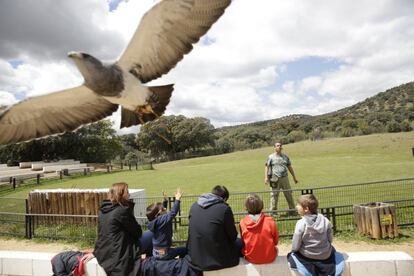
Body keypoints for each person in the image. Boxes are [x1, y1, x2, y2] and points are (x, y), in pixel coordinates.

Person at [93, 182, 153, 276]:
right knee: (151, 234)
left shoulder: (102, 211)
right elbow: (138, 232)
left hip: (104, 253)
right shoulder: (121, 211)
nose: (129, 194)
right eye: (127, 192)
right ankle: (149, 267)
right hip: (120, 255)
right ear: (121, 194)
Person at [187, 185, 242, 271]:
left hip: (195, 257)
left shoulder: (194, 206)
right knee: (239, 242)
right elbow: (233, 236)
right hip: (217, 260)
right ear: (224, 199)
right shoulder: (224, 209)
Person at [287, 194, 344, 276]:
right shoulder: (326, 221)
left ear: (306, 209)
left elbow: (295, 246)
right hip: (325, 256)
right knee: (333, 250)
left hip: (307, 256)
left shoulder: (301, 223)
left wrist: (294, 251)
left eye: (298, 205)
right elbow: (330, 239)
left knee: (292, 254)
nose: (296, 207)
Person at [146, 189, 187, 260]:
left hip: (155, 252)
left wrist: (165, 201)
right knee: (184, 250)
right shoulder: (162, 220)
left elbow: (162, 212)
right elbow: (173, 213)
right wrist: (177, 199)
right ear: (159, 213)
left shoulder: (154, 221)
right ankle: (180, 265)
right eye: (163, 209)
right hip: (164, 254)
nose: (165, 209)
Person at [239, 193, 279, 264]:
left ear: (246, 207)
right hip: (270, 257)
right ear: (262, 205)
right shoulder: (270, 221)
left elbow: (243, 242)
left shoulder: (242, 222)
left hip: (251, 258)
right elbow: (276, 242)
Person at [264, 141, 298, 214]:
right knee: (274, 195)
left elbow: (289, 167)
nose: (279, 147)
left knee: (288, 193)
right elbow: (267, 167)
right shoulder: (271, 157)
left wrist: (294, 177)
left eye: (280, 145)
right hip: (274, 178)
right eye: (277, 145)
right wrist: (266, 177)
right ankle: (273, 212)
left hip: (285, 178)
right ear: (274, 147)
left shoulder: (285, 157)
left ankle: (292, 210)